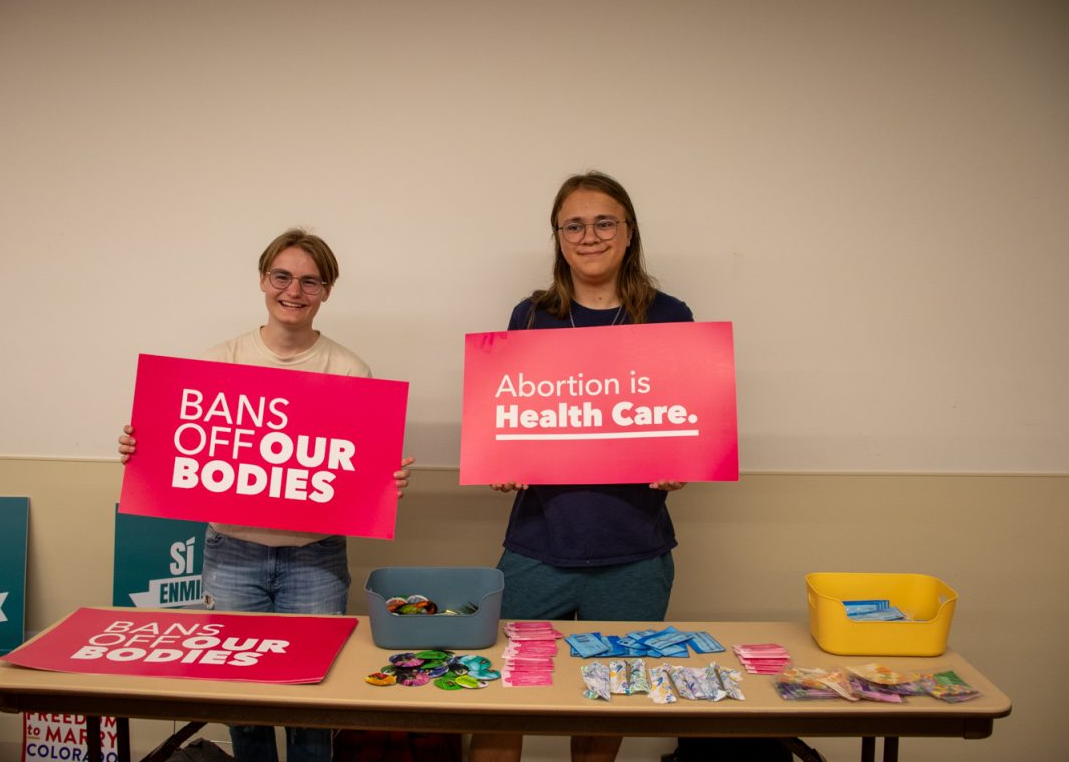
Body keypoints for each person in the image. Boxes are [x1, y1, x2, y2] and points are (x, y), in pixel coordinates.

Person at [119, 228, 413, 762]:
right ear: (262, 280)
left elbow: (361, 471)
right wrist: (144, 449)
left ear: (326, 291)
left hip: (315, 559)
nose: (293, 291)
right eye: (282, 276)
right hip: (232, 554)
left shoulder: (348, 370)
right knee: (244, 704)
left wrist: (384, 482)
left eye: (310, 281)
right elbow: (179, 446)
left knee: (310, 700)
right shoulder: (219, 361)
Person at [468, 172, 691, 762]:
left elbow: (685, 423)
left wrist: (680, 461)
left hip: (634, 554)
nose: (589, 236)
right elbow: (511, 417)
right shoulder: (532, 314)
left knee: (605, 711)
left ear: (628, 231)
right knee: (499, 703)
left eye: (603, 222)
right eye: (574, 225)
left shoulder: (670, 315)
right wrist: (503, 457)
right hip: (538, 546)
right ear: (558, 237)